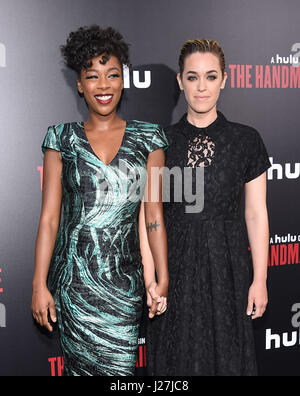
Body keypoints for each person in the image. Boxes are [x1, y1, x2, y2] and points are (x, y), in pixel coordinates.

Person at [31, 25, 168, 376]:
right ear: (79, 84)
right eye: (92, 76)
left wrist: (162, 276)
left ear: (123, 80)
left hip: (124, 286)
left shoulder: (149, 138)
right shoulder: (60, 139)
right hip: (73, 286)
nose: (103, 86)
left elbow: (152, 214)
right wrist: (39, 284)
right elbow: (49, 218)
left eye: (112, 75)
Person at [144, 39, 271, 376]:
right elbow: (148, 217)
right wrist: (152, 277)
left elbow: (256, 214)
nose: (202, 87)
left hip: (227, 268)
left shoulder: (246, 140)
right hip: (175, 268)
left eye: (211, 77)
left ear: (225, 79)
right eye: (193, 77)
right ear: (180, 81)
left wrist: (260, 279)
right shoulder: (160, 142)